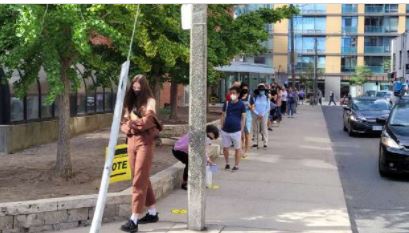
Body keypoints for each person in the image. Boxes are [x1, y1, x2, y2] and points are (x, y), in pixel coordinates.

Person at [120, 75, 163, 233]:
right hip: (131, 142)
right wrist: (131, 125)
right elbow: (123, 125)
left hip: (145, 143)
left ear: (144, 87)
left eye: (139, 88)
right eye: (134, 87)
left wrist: (130, 124)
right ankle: (152, 213)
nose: (136, 90)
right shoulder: (129, 102)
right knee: (140, 177)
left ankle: (134, 219)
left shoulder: (150, 101)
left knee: (139, 179)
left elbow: (147, 122)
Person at [172, 125, 219, 190]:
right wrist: (207, 160)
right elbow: (199, 150)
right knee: (190, 163)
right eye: (209, 137)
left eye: (211, 139)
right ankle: (184, 183)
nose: (209, 139)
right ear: (208, 132)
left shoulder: (203, 136)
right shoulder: (199, 136)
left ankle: (194, 182)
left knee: (193, 163)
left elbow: (202, 150)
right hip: (178, 150)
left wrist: (208, 160)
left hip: (186, 150)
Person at [221, 86, 246, 171]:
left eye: (234, 93)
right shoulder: (227, 103)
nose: (232, 95)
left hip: (236, 130)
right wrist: (222, 126)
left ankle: (236, 165)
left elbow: (243, 117)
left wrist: (242, 130)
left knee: (237, 148)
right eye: (231, 93)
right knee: (225, 148)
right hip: (225, 130)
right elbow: (223, 115)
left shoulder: (241, 104)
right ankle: (227, 163)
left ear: (238, 94)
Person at [251, 84, 270, 148]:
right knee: (256, 128)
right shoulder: (255, 98)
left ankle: (265, 142)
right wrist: (257, 113)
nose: (261, 91)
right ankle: (256, 142)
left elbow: (268, 107)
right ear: (258, 91)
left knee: (264, 128)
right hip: (256, 115)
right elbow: (252, 107)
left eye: (263, 90)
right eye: (260, 90)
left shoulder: (267, 98)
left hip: (264, 115)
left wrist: (262, 114)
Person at [239, 83, 253, 158]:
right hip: (239, 116)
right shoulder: (238, 97)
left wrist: (249, 106)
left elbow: (253, 108)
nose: (245, 90)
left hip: (247, 116)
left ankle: (246, 150)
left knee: (247, 134)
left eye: (246, 89)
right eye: (243, 89)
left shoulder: (250, 97)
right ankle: (241, 150)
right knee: (241, 135)